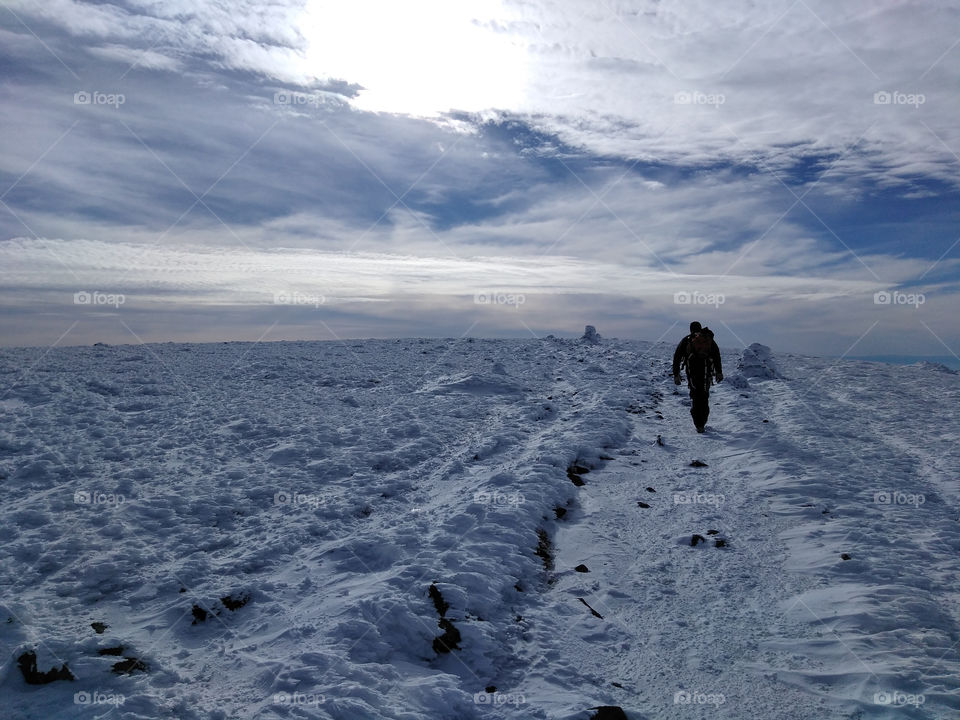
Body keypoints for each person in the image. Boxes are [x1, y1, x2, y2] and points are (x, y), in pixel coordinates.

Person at [673, 323, 723, 433]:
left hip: (692, 371)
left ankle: (698, 424)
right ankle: (703, 423)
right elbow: (716, 355)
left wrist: (676, 374)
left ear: (691, 329)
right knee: (704, 396)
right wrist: (719, 372)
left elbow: (677, 356)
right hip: (706, 371)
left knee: (695, 396)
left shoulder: (687, 340)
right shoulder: (708, 340)